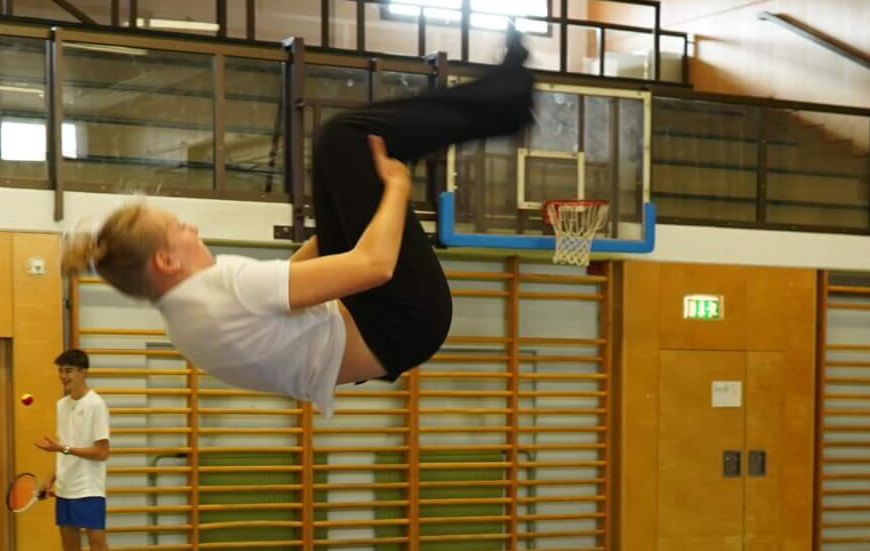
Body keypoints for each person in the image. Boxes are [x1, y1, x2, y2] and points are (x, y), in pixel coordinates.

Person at [61, 37, 535, 414]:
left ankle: (496, 99)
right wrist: (395, 188)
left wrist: (340, 212)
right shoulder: (224, 286)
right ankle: (506, 102)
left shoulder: (185, 318)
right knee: (344, 138)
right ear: (166, 260)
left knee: (343, 154)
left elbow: (291, 292)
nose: (192, 229)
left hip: (385, 336)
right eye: (178, 229)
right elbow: (374, 265)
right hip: (401, 320)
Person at [36, 348, 116, 551]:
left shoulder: (96, 405)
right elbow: (65, 445)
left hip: (89, 488)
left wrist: (63, 449)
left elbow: (101, 452)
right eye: (61, 370)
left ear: (83, 372)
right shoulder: (61, 406)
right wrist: (52, 477)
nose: (63, 376)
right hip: (67, 487)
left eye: (69, 370)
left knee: (97, 547)